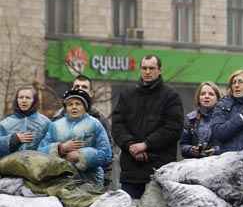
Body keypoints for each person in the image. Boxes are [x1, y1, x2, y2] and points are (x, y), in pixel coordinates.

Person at [112, 54, 184, 198]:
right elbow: (118, 125)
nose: (147, 72)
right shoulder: (127, 95)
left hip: (159, 170)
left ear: (160, 70)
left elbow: (173, 129)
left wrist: (146, 145)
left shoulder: (171, 96)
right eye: (144, 68)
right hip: (131, 171)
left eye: (152, 68)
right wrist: (131, 145)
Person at [38, 89, 112, 186]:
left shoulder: (95, 124)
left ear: (85, 107)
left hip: (90, 181)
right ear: (65, 108)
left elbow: (106, 154)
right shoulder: (55, 126)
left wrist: (82, 156)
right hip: (60, 181)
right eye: (70, 104)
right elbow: (40, 151)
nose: (74, 107)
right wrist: (60, 148)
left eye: (78, 104)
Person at [53, 75, 114, 186]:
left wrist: (105, 180)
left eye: (84, 87)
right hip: (62, 179)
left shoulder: (99, 119)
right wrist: (60, 149)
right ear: (72, 89)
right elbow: (45, 150)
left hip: (92, 180)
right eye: (77, 86)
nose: (80, 89)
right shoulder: (57, 118)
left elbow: (107, 153)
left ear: (90, 93)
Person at [0, 86, 50, 156]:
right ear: (16, 100)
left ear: (34, 101)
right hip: (11, 165)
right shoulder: (5, 123)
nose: (24, 100)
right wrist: (13, 139)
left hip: (38, 164)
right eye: (21, 97)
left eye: (28, 98)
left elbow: (50, 145)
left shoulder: (45, 122)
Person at [181, 81, 221, 158]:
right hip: (195, 164)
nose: (206, 96)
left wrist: (216, 150)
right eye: (203, 94)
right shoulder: (190, 119)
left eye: (211, 94)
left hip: (218, 163)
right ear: (198, 98)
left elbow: (231, 145)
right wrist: (191, 149)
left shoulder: (225, 118)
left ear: (218, 98)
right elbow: (183, 146)